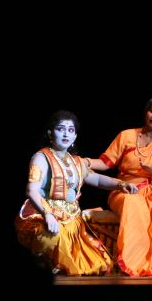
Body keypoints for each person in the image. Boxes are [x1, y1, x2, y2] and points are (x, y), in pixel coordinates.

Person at [15, 111, 138, 275]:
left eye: (70, 130)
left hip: (73, 220)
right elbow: (31, 190)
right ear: (50, 133)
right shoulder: (41, 158)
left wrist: (121, 184)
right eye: (61, 129)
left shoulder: (77, 162)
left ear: (75, 136)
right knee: (50, 238)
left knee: (99, 262)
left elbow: (97, 179)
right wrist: (48, 215)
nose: (66, 134)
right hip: (45, 216)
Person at [87, 96, 152, 277]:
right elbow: (106, 163)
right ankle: (135, 264)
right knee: (134, 204)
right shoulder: (127, 136)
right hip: (126, 189)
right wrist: (84, 161)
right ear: (146, 113)